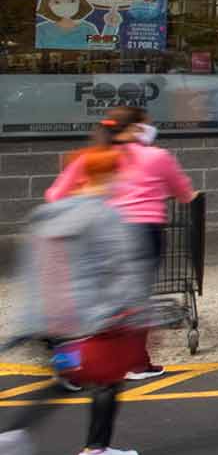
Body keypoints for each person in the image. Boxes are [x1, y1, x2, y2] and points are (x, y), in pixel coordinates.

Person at [1, 146, 151, 455]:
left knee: (67, 380)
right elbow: (123, 271)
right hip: (93, 321)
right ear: (108, 176)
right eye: (119, 173)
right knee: (109, 378)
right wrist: (132, 312)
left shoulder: (45, 216)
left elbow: (31, 272)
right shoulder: (105, 217)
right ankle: (95, 452)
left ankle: (7, 443)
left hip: (50, 323)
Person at [46, 107, 196, 382]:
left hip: (97, 234)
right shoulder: (156, 157)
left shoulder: (89, 158)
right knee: (135, 304)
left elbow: (55, 195)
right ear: (136, 129)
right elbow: (184, 193)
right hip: (142, 235)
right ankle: (136, 364)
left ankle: (64, 363)